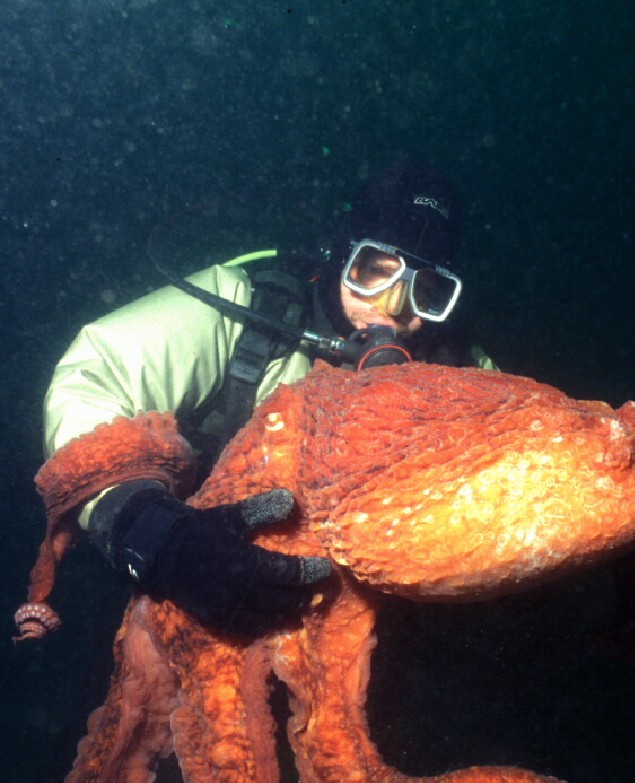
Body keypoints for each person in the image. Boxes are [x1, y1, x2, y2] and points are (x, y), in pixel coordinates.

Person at [43, 160, 497, 633]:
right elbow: (94, 374)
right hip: (188, 597)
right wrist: (150, 532)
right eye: (375, 273)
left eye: (427, 293)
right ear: (341, 258)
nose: (394, 309)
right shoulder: (240, 309)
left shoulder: (463, 370)